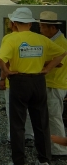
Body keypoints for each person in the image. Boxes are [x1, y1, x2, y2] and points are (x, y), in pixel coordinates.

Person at [0, 7, 67, 165]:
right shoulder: (41, 39)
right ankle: (44, 160)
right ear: (30, 23)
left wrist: (6, 72)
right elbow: (62, 53)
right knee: (41, 123)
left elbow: (0, 58)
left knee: (17, 124)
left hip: (20, 81)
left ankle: (19, 161)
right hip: (39, 82)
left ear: (14, 23)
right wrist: (47, 68)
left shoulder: (11, 39)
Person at [0, 12, 34, 147]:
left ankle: (12, 138)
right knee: (30, 110)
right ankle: (29, 137)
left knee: (13, 112)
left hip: (13, 80)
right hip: (32, 80)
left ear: (14, 23)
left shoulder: (8, 38)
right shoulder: (36, 38)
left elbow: (4, 60)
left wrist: (3, 78)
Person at [38, 11, 67, 161]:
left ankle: (59, 150)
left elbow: (55, 63)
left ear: (51, 28)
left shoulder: (59, 43)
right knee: (52, 116)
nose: (41, 30)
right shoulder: (57, 40)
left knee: (55, 117)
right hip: (55, 83)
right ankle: (54, 146)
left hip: (55, 84)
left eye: (42, 27)